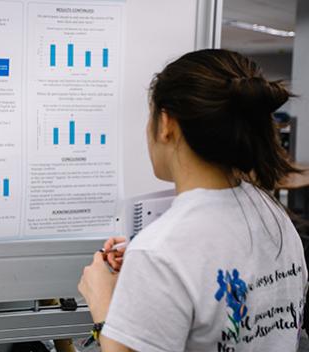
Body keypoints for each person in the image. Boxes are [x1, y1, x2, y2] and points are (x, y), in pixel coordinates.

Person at [78, 49, 308, 351]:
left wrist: (104, 305)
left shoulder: (160, 252)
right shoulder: (273, 215)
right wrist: (148, 277)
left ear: (166, 123)